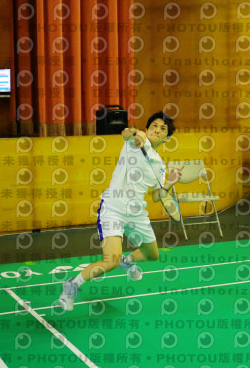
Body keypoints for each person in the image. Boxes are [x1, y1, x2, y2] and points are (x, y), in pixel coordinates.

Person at [59, 111, 183, 311]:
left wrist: (169, 183)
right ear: (147, 129)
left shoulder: (160, 165)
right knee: (111, 260)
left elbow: (155, 195)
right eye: (154, 126)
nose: (157, 130)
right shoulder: (135, 144)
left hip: (137, 212)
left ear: (167, 138)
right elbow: (127, 133)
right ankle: (73, 284)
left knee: (152, 254)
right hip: (113, 208)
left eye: (163, 129)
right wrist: (136, 134)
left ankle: (128, 261)